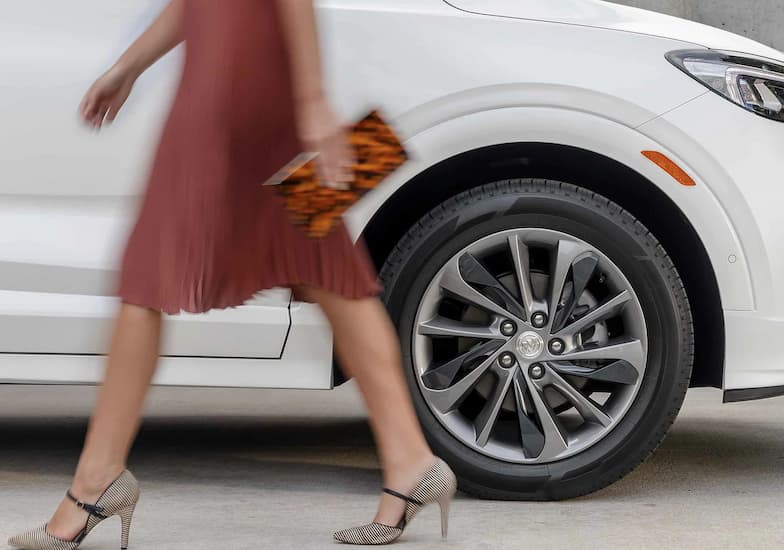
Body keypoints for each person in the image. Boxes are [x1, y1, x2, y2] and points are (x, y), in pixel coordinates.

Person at [7, 1, 455, 547]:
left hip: (235, 80)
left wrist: (312, 98)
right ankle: (411, 460)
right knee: (325, 262)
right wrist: (130, 65)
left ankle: (96, 481)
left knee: (148, 271)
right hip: (242, 68)